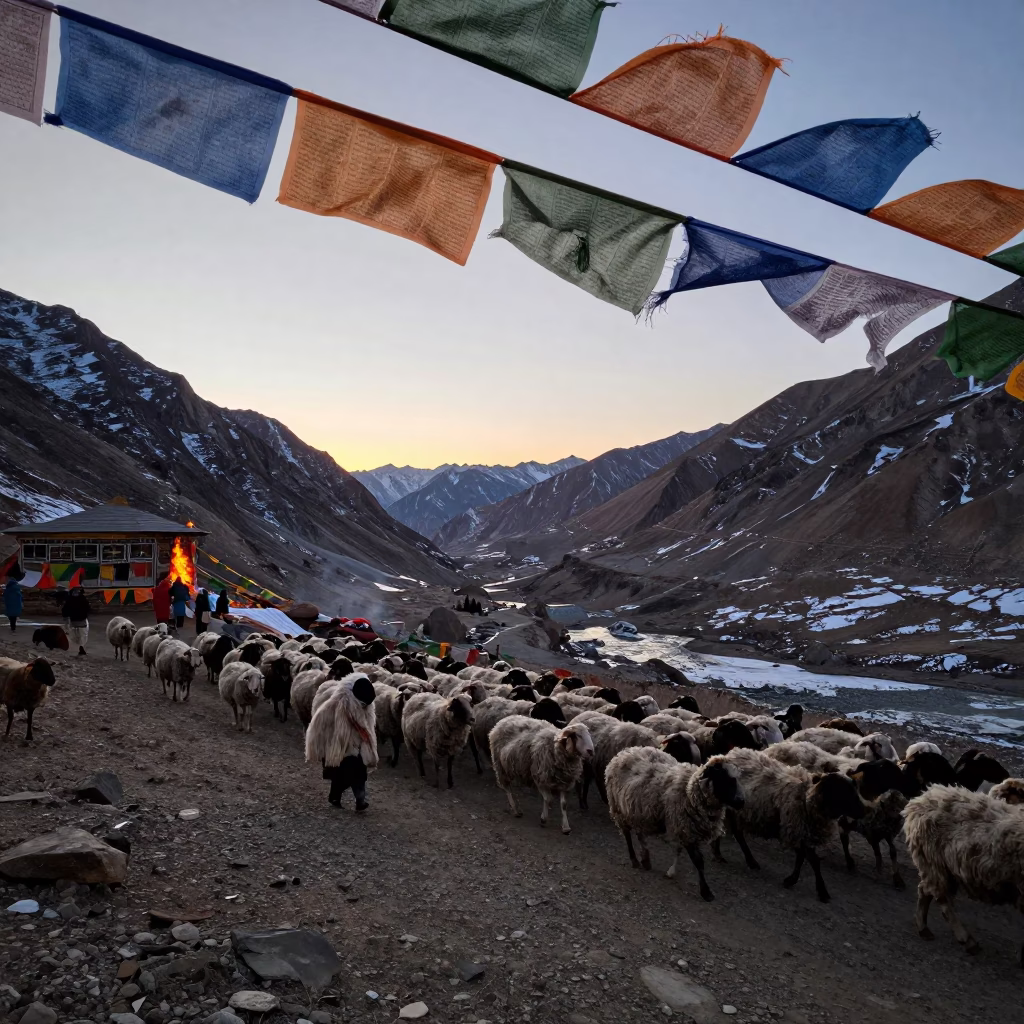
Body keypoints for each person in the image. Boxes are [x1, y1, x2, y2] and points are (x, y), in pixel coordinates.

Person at [304, 675, 377, 811]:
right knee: (344, 774)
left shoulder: (366, 705)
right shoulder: (335, 705)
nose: (365, 706)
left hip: (360, 744)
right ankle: (335, 796)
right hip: (341, 746)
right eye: (363, 703)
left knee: (361, 773)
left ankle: (360, 800)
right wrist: (321, 746)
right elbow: (319, 725)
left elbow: (368, 726)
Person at [61, 585, 91, 656]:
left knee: (76, 635)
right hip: (81, 621)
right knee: (81, 635)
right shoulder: (82, 599)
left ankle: (79, 647)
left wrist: (65, 616)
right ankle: (81, 647)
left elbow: (65, 610)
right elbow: (88, 608)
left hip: (74, 621)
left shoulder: (70, 599)